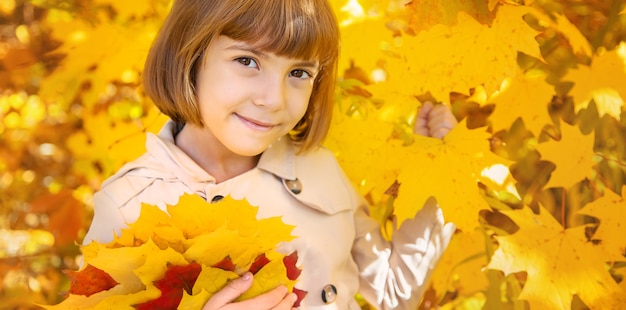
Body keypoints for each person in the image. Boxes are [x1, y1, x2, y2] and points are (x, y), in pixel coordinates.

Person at [82, 0, 458, 309]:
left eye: (299, 73)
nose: (274, 99)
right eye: (247, 61)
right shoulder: (130, 206)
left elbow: (394, 291)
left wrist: (437, 169)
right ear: (190, 56)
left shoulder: (318, 168)